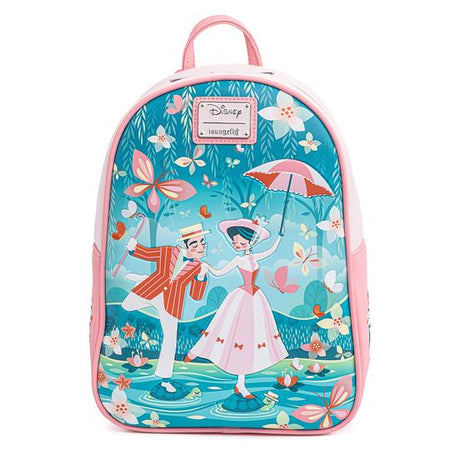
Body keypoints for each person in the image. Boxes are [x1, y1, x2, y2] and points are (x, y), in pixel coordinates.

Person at [185, 218, 288, 399]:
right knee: (229, 333)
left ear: (250, 241)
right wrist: (206, 267)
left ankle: (240, 384)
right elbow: (219, 272)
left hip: (255, 299)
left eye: (241, 242)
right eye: (235, 242)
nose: (237, 245)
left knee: (248, 339)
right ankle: (197, 351)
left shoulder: (254, 257)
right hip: (242, 299)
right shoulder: (238, 260)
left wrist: (280, 236)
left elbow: (271, 250)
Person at [122, 223, 209, 395]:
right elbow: (146, 254)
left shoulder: (198, 266)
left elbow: (196, 296)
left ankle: (165, 379)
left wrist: (201, 277)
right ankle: (143, 279)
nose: (201, 247)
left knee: (170, 338)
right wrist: (133, 248)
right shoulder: (169, 251)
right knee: (126, 305)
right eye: (195, 244)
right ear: (185, 245)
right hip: (151, 289)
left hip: (171, 302)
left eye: (203, 242)